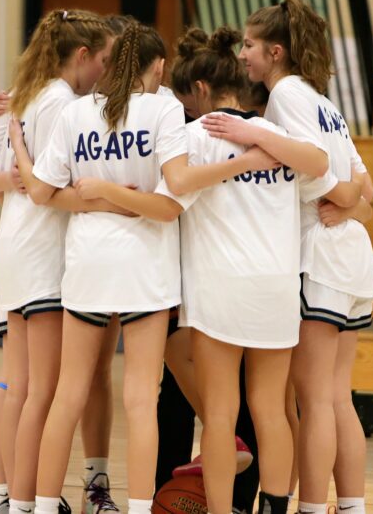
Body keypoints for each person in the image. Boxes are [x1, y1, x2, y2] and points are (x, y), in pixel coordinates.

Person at [12, 22, 273, 514]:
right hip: (144, 274)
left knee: (68, 394)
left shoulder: (74, 113)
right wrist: (128, 202)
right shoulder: (163, 109)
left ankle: (43, 506)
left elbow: (44, 193)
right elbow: (169, 206)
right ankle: (136, 508)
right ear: (157, 68)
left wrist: (102, 197)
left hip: (88, 268)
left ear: (108, 65)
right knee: (139, 400)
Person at [206, 0, 373, 514]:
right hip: (350, 255)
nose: (244, 55)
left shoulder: (288, 98)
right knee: (337, 397)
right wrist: (351, 204)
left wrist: (252, 132)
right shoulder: (324, 100)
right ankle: (351, 505)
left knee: (316, 399)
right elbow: (366, 187)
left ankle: (313, 508)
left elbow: (331, 175)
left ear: (276, 51)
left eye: (251, 45)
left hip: (321, 255)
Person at [0, 9, 123, 514]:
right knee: (42, 392)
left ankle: (8, 497)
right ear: (81, 56)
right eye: (102, 59)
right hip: (42, 256)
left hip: (12, 249)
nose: (105, 69)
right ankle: (26, 500)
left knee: (17, 385)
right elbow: (57, 188)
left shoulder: (23, 98)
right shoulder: (61, 105)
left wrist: (19, 177)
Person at [162, 26, 304, 514]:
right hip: (279, 287)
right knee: (271, 410)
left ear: (200, 91)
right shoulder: (280, 135)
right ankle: (277, 509)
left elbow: (170, 197)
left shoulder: (194, 135)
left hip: (221, 287)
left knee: (220, 416)